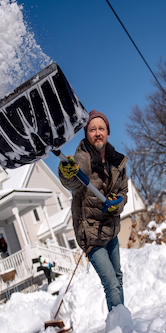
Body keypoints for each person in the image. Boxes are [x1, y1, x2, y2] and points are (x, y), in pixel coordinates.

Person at [58, 110, 128, 312]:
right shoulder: (82, 159)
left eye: (101, 128)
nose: (97, 132)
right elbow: (71, 181)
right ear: (86, 134)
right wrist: (65, 172)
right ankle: (121, 330)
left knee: (118, 278)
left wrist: (119, 202)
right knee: (111, 284)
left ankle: (120, 321)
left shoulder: (118, 162)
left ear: (108, 133)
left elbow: (123, 192)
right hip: (90, 233)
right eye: (92, 129)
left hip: (110, 229)